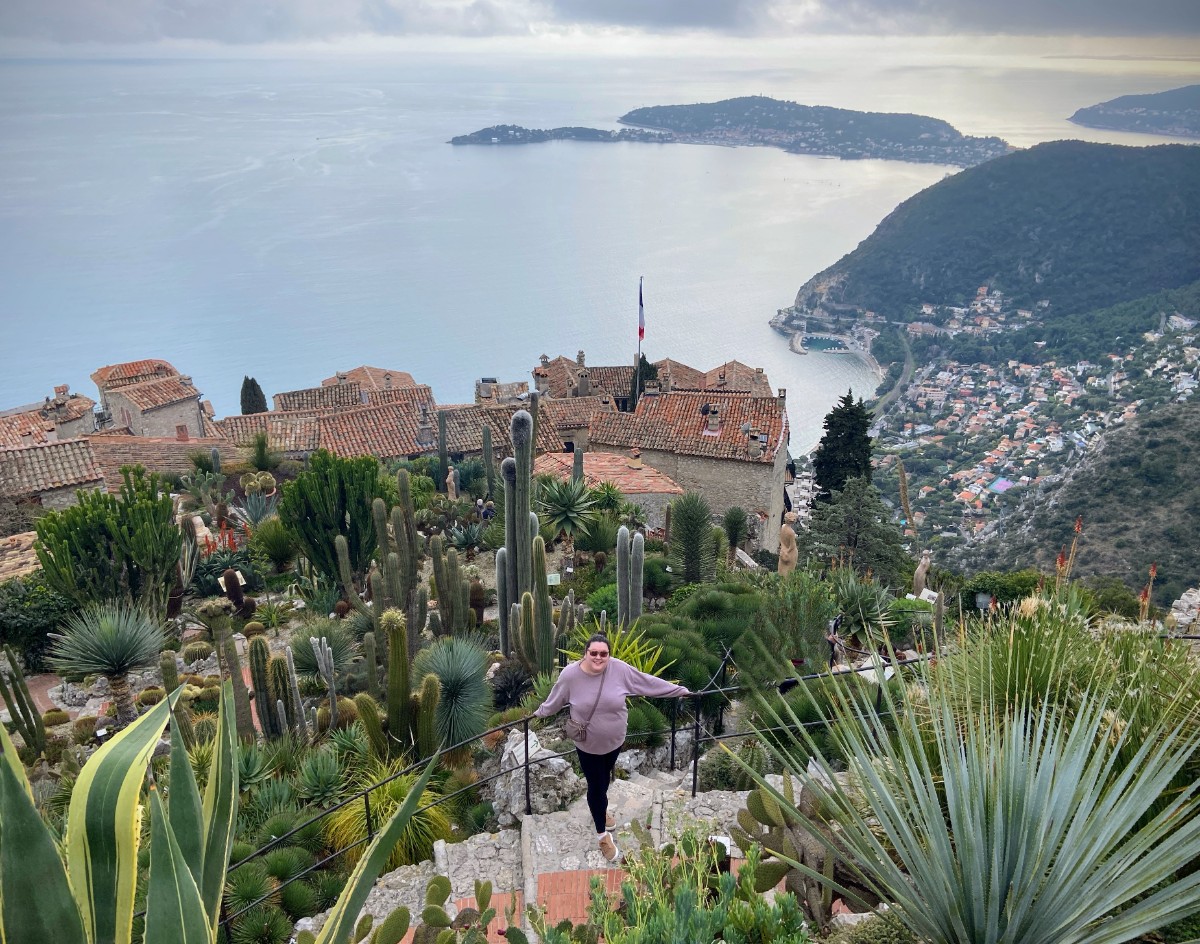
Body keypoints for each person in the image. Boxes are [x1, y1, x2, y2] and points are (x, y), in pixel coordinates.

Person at [534, 633, 691, 863]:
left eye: (603, 653)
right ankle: (602, 835)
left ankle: (601, 809)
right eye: (594, 653)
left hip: (615, 741)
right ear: (585, 653)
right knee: (596, 787)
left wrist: (679, 690)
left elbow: (646, 682)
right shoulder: (570, 675)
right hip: (587, 745)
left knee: (604, 781)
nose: (598, 657)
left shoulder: (619, 669)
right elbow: (554, 700)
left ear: (609, 655)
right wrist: (537, 714)